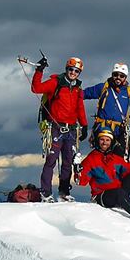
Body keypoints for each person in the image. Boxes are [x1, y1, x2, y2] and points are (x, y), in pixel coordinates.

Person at [31, 56, 88, 202]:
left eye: (76, 71)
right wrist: (39, 70)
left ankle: (64, 192)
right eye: (71, 69)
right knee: (51, 160)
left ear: (79, 72)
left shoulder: (78, 89)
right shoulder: (56, 82)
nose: (73, 73)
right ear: (66, 69)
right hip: (55, 128)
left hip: (71, 129)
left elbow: (80, 108)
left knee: (68, 162)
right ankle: (45, 192)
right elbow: (36, 88)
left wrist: (84, 125)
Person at [79, 130, 130, 226]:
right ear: (97, 141)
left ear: (111, 142)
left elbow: (129, 169)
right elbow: (81, 182)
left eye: (107, 140)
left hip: (118, 191)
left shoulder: (114, 157)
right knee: (118, 193)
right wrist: (78, 170)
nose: (104, 142)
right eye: (102, 139)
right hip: (102, 196)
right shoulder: (90, 159)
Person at [82, 63, 130, 157]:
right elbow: (83, 94)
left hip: (120, 130)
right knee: (101, 157)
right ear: (112, 75)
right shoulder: (103, 88)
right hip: (103, 128)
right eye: (115, 74)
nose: (118, 77)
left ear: (125, 77)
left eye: (121, 76)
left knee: (120, 158)